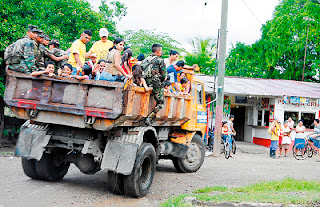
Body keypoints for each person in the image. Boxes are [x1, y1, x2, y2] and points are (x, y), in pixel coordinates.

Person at [141, 44, 167, 125]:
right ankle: (150, 117)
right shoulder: (160, 60)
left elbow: (140, 69)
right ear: (158, 51)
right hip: (155, 83)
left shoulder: (146, 59)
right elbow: (164, 76)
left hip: (144, 82)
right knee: (161, 103)